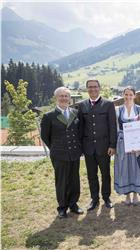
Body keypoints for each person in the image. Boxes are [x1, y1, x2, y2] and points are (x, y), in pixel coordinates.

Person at [40, 87, 83, 218]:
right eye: (61, 96)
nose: (64, 98)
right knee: (62, 181)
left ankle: (73, 204)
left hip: (74, 153)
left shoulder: (75, 113)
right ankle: (62, 207)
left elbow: (79, 132)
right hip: (59, 154)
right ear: (56, 98)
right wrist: (55, 147)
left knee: (74, 179)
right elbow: (45, 136)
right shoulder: (49, 116)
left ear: (69, 98)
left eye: (66, 96)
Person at [78, 79, 117, 210]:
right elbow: (80, 128)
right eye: (90, 87)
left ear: (99, 88)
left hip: (104, 147)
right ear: (86, 89)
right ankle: (94, 199)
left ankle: (106, 197)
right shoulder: (82, 105)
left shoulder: (108, 104)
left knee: (105, 174)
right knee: (91, 175)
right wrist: (81, 147)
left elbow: (113, 126)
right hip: (88, 148)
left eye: (95, 87)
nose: (92, 89)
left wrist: (113, 145)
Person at [114, 86, 140, 205]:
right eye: (126, 94)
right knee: (124, 168)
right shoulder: (118, 110)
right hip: (123, 143)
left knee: (136, 168)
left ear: (134, 96)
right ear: (123, 95)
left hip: (136, 143)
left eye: (130, 94)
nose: (128, 97)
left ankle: (136, 194)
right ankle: (127, 196)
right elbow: (116, 128)